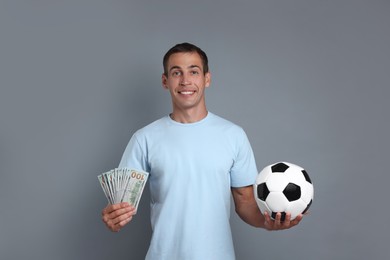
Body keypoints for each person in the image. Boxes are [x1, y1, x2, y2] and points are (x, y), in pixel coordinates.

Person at [102, 42, 303, 259]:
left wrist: (268, 222)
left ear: (207, 79)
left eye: (194, 72)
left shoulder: (233, 135)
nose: (185, 80)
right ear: (165, 81)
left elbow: (245, 203)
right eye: (176, 72)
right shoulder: (144, 139)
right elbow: (120, 204)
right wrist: (113, 217)